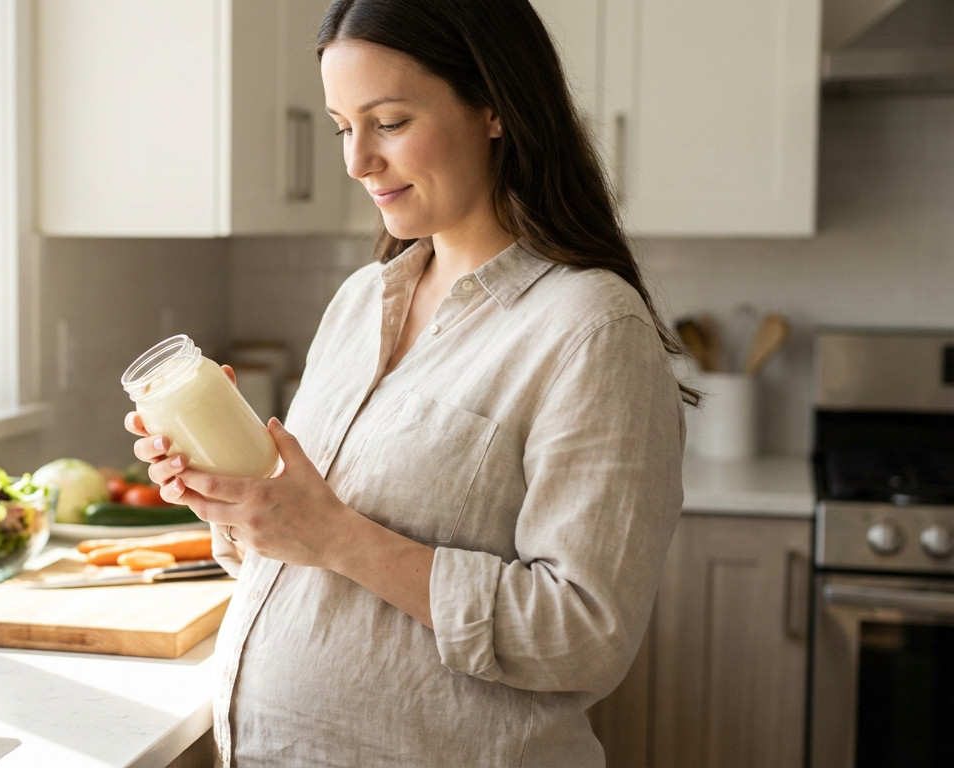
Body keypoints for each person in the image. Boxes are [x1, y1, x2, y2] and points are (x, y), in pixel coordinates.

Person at [126, 0, 692, 764]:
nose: (357, 162)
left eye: (388, 122)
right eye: (341, 127)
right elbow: (298, 562)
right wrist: (232, 504)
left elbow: (585, 634)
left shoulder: (590, 327)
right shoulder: (364, 299)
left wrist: (335, 536)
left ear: (495, 107)